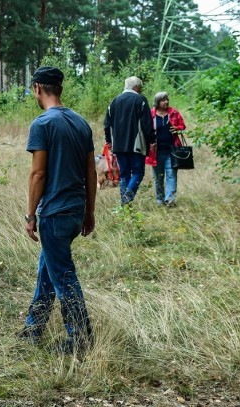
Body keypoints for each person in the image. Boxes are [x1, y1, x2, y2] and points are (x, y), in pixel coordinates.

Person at [19, 67, 96, 355]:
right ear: (59, 88)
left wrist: (30, 216)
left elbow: (38, 174)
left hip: (54, 212)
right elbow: (91, 172)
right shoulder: (81, 123)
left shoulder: (43, 124)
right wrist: (89, 212)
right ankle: (33, 328)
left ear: (38, 88)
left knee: (63, 275)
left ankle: (81, 338)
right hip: (76, 210)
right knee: (47, 270)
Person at [104, 76, 155, 205]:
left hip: (119, 146)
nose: (141, 90)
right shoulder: (140, 100)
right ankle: (127, 198)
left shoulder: (114, 101)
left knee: (124, 175)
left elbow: (107, 124)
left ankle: (124, 205)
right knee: (138, 172)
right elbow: (147, 124)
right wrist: (152, 140)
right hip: (136, 144)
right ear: (136, 87)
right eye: (140, 88)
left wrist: (109, 141)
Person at [149, 92, 186, 206]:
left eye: (167, 99)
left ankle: (169, 199)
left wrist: (177, 128)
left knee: (171, 175)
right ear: (157, 102)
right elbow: (146, 130)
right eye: (163, 100)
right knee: (158, 177)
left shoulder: (174, 113)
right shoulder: (151, 114)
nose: (166, 102)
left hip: (172, 150)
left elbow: (182, 126)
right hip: (156, 152)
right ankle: (160, 200)